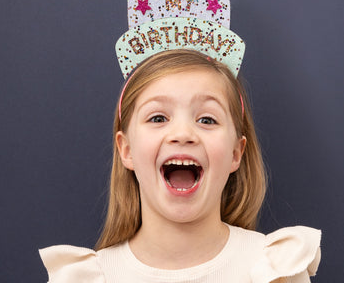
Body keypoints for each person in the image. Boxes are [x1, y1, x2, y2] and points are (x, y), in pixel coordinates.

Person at [39, 49, 321, 283]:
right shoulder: (86, 278)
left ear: (236, 153)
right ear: (126, 150)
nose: (183, 134)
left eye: (207, 120)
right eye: (158, 118)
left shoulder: (275, 271)